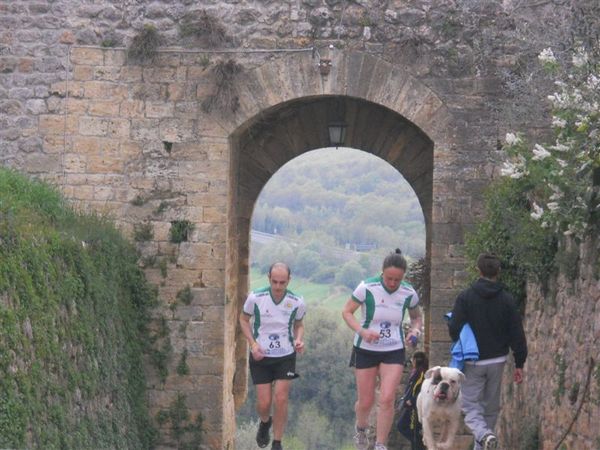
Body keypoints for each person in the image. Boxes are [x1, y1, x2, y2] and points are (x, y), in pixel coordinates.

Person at [342, 249, 422, 450]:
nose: (393, 283)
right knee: (366, 401)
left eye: (397, 279)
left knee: (387, 398)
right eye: (389, 278)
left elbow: (416, 318)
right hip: (366, 349)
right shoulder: (366, 287)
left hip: (393, 349)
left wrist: (415, 331)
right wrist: (362, 330)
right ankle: (361, 430)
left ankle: (380, 444)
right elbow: (347, 312)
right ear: (382, 273)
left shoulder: (408, 293)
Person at [447, 253, 528, 450]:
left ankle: (484, 435)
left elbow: (454, 327)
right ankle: (484, 443)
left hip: (474, 361)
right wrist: (519, 363)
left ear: (478, 270)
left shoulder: (465, 297)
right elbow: (516, 332)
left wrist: (462, 341)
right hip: (498, 360)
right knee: (490, 409)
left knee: (469, 406)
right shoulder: (507, 299)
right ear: (498, 272)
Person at [239, 262, 306, 450]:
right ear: (269, 279)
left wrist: (299, 340)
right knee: (264, 403)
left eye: (282, 283)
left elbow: (299, 324)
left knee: (281, 398)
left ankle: (277, 442)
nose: (278, 287)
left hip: (285, 355)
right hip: (261, 355)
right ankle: (265, 421)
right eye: (274, 282)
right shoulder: (256, 297)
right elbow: (243, 320)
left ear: (289, 281)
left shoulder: (297, 301)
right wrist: (252, 343)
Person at [397, 351, 428, 450]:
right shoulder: (416, 372)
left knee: (405, 426)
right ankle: (418, 444)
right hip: (410, 406)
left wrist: (412, 400)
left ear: (416, 360)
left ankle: (420, 444)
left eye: (412, 359)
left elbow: (422, 390)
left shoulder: (422, 374)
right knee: (410, 429)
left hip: (414, 407)